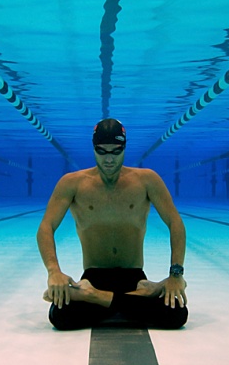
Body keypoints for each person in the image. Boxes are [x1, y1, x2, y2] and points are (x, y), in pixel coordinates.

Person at [37, 118, 188, 330]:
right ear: (94, 149)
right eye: (102, 151)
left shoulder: (147, 180)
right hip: (95, 275)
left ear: (124, 148)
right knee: (60, 316)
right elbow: (46, 227)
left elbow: (175, 223)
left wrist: (175, 275)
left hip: (133, 275)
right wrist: (54, 272)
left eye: (116, 152)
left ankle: (93, 296)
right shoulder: (72, 183)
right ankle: (142, 295)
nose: (109, 159)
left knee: (176, 314)